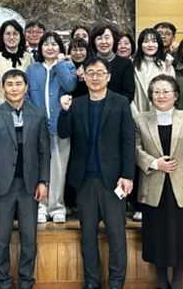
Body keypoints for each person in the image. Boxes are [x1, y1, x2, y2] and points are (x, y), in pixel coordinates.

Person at [58, 57, 135, 289]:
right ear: (84, 76)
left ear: (108, 77)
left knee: (116, 235)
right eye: (90, 72)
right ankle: (91, 282)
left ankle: (115, 283)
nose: (95, 77)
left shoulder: (120, 102)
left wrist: (128, 175)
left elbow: (128, 141)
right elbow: (63, 132)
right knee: (88, 236)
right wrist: (64, 112)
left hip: (113, 180)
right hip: (84, 180)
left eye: (100, 73)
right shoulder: (77, 103)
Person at [0, 69, 50, 289]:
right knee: (1, 238)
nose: (14, 88)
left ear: (26, 88)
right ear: (3, 88)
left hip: (29, 185)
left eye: (18, 84)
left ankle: (26, 280)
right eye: (9, 84)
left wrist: (44, 181)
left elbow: (44, 152)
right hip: (2, 184)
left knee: (29, 237)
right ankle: (3, 280)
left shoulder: (37, 115)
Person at [135, 74, 183, 289]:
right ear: (150, 96)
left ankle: (177, 282)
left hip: (182, 186)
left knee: (182, 237)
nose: (161, 95)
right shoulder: (141, 119)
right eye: (156, 92)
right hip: (154, 184)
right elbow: (134, 149)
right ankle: (161, 281)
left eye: (166, 91)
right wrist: (155, 163)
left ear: (176, 95)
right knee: (157, 235)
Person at [25, 32, 77, 223]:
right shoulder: (32, 69)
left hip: (59, 126)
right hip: (37, 126)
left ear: (60, 48)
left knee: (58, 167)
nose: (50, 47)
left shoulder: (67, 66)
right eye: (45, 44)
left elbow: (70, 85)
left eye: (54, 44)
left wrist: (60, 64)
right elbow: (26, 95)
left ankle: (57, 206)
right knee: (38, 166)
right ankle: (41, 205)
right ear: (40, 48)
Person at [0, 19, 33, 106]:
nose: (11, 37)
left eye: (15, 34)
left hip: (23, 106)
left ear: (20, 36)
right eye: (8, 34)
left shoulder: (28, 57)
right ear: (2, 36)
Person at [132, 27, 174, 119]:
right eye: (146, 41)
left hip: (159, 116)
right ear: (140, 44)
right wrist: (136, 116)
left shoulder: (166, 65)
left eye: (154, 41)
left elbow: (170, 92)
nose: (150, 45)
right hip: (135, 115)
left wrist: (167, 70)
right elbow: (128, 93)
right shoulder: (132, 65)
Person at [89, 23, 135, 104]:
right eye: (99, 38)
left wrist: (114, 107)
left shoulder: (125, 64)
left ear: (114, 40)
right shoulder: (88, 63)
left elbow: (128, 94)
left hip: (117, 108)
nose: (103, 42)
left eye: (107, 38)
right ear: (94, 42)